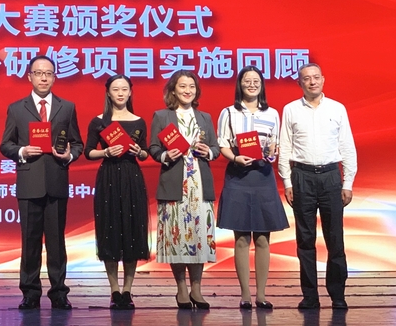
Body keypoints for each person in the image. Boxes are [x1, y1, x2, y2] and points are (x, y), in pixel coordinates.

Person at [0, 55, 84, 310]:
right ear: (29, 77)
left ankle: (59, 292)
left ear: (55, 77)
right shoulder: (17, 108)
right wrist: (22, 151)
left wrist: (69, 155)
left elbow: (77, 143)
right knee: (30, 241)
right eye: (38, 73)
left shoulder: (67, 107)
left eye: (48, 73)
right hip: (29, 182)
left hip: (56, 180)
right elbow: (6, 144)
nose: (43, 78)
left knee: (57, 242)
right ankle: (30, 292)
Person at [278, 63, 357, 310]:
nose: (312, 82)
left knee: (335, 239)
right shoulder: (291, 110)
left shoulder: (337, 108)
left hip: (331, 177)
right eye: (306, 78)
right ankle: (310, 296)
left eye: (316, 77)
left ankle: (338, 295)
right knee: (305, 239)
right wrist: (287, 182)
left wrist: (348, 182)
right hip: (302, 176)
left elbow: (347, 146)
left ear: (323, 79)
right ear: (299, 83)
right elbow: (285, 148)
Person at [216, 66, 289, 309]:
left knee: (263, 238)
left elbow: (274, 144)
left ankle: (261, 295)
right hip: (238, 175)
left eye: (256, 80)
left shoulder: (273, 113)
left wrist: (271, 154)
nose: (251, 84)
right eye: (247, 80)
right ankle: (245, 295)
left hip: (263, 176)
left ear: (261, 84)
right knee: (241, 239)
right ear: (240, 84)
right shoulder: (228, 112)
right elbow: (222, 144)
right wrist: (235, 157)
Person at [148, 69, 219, 310]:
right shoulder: (162, 116)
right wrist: (166, 155)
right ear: (173, 90)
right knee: (176, 237)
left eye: (191, 86)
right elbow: (154, 148)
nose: (187, 91)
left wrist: (208, 152)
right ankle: (181, 288)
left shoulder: (205, 117)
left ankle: (196, 289)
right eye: (182, 86)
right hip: (174, 184)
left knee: (199, 237)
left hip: (199, 185)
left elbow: (215, 148)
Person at [85, 75, 150, 310]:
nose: (120, 93)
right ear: (108, 93)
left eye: (124, 89)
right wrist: (105, 153)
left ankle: (128, 290)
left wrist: (139, 152)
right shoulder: (99, 121)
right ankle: (114, 290)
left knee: (132, 232)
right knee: (110, 232)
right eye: (115, 89)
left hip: (132, 178)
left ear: (130, 92)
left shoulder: (139, 121)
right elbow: (88, 151)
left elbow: (146, 153)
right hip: (109, 178)